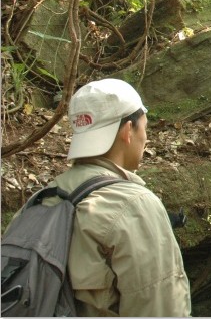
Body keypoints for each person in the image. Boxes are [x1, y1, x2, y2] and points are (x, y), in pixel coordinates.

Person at [44, 78, 191, 316]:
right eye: (144, 127)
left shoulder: (42, 198)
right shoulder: (134, 206)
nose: (146, 137)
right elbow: (162, 309)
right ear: (127, 131)